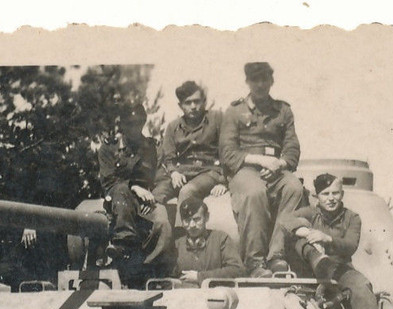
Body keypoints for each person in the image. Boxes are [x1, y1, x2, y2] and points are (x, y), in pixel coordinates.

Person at [273, 173, 392, 309]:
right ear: (317, 196)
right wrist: (306, 232)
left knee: (361, 284)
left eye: (335, 193)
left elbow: (350, 245)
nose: (331, 198)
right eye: (325, 194)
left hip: (339, 269)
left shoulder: (352, 218)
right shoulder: (310, 213)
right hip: (308, 268)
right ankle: (319, 261)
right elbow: (285, 220)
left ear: (342, 194)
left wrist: (327, 239)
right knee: (302, 242)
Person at [220, 62, 307, 274]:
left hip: (276, 169)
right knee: (255, 193)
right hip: (246, 168)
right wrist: (260, 161)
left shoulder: (283, 111)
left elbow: (292, 148)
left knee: (294, 187)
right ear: (247, 82)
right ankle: (255, 262)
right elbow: (227, 152)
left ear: (271, 81)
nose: (260, 85)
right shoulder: (234, 111)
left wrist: (280, 164)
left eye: (264, 79)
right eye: (255, 80)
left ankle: (277, 255)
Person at [97, 103, 176, 286]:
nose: (134, 128)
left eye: (138, 123)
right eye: (130, 123)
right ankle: (123, 245)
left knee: (163, 222)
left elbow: (163, 178)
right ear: (122, 124)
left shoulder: (152, 148)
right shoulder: (109, 148)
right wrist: (133, 187)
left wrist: (155, 198)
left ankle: (148, 267)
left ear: (144, 122)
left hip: (148, 200)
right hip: (119, 201)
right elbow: (109, 182)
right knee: (121, 191)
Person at [152, 81, 228, 212]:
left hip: (208, 172)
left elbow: (228, 151)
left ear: (203, 102)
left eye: (197, 101)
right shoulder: (173, 127)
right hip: (182, 173)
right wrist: (174, 173)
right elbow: (169, 158)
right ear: (180, 105)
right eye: (188, 103)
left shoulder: (217, 119)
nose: (193, 106)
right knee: (156, 195)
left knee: (187, 191)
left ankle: (184, 226)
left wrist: (223, 182)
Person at [174, 198, 244, 285]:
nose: (192, 225)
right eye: (187, 220)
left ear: (206, 217)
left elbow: (237, 270)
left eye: (196, 219)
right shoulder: (177, 245)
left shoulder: (221, 239)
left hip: (215, 292)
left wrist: (200, 277)